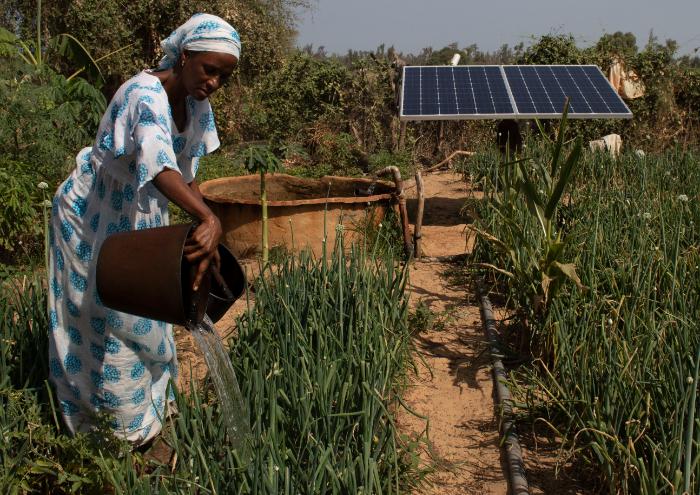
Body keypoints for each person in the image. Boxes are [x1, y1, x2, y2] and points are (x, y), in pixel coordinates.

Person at [47, 13, 240, 446]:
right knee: (101, 318)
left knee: (149, 316)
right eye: (209, 69)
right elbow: (157, 167)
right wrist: (209, 218)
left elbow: (185, 173)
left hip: (142, 216)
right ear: (186, 55)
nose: (213, 83)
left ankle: (146, 420)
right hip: (94, 215)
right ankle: (103, 434)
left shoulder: (195, 106)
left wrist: (202, 222)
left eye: (223, 77)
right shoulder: (142, 93)